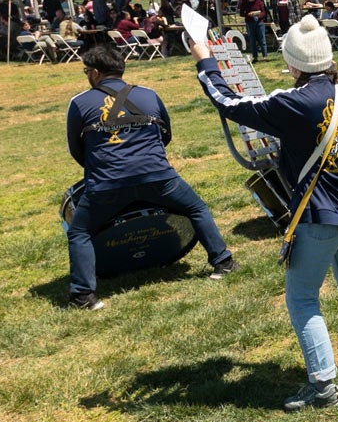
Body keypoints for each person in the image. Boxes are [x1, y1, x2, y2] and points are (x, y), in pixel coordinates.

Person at [189, 16, 338, 409]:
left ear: (293, 63)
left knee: (301, 297)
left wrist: (204, 59)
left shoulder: (294, 102)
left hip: (322, 212)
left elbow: (228, 102)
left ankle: (323, 385)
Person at [62, 42, 235, 311]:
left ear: (95, 73)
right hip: (158, 177)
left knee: (79, 231)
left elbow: (76, 149)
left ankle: (83, 296)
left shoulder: (79, 102)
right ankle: (223, 262)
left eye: (86, 71)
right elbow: (165, 135)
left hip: (107, 183)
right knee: (196, 208)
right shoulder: (149, 94)